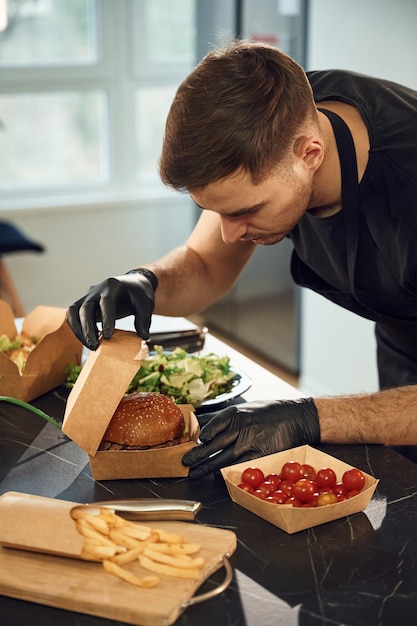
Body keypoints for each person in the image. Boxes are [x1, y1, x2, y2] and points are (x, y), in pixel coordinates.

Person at [66, 40, 417, 478]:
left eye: (244, 211)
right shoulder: (271, 119)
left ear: (310, 155)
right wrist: (147, 283)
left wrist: (309, 415)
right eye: (215, 211)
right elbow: (205, 262)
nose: (229, 232)